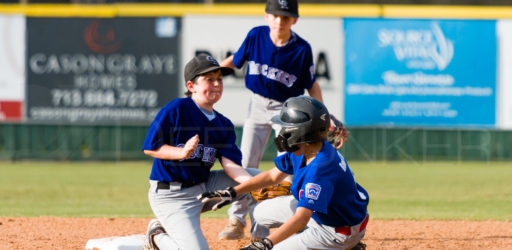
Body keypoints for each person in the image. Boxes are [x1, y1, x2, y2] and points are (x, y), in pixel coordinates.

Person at [199, 96, 369, 250]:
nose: (283, 131)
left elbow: (302, 217)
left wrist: (265, 244)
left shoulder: (320, 168)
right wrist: (233, 191)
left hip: (337, 232)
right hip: (326, 214)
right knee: (260, 213)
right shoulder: (305, 149)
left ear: (302, 132)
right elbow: (272, 176)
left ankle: (348, 247)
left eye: (287, 127)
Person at [219, 0, 327, 240]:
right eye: (276, 16)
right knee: (245, 162)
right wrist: (211, 73)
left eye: (286, 17)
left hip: (286, 111)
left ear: (294, 20)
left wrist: (323, 115)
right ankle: (236, 219)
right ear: (267, 16)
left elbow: (312, 85)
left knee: (287, 167)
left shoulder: (301, 49)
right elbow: (234, 61)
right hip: (257, 105)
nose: (280, 21)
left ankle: (265, 228)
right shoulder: (256, 36)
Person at [141, 54, 260, 250]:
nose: (216, 84)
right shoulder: (176, 109)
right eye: (209, 79)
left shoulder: (223, 124)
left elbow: (231, 166)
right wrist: (181, 153)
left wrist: (255, 185)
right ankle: (156, 236)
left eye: (219, 79)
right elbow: (151, 147)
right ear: (191, 86)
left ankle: (261, 239)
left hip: (204, 188)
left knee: (259, 178)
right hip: (172, 196)